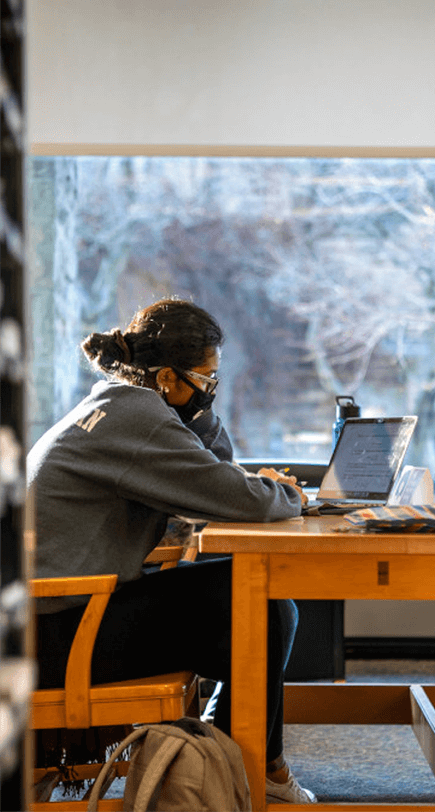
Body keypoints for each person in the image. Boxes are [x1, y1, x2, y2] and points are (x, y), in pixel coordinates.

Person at [29, 298, 317, 804]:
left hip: (52, 616)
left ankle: (230, 753)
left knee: (254, 603)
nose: (210, 391)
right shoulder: (136, 418)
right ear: (166, 377)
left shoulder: (116, 403)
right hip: (59, 635)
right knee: (264, 609)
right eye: (206, 380)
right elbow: (238, 496)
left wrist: (200, 413)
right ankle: (246, 766)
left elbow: (214, 472)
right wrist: (290, 493)